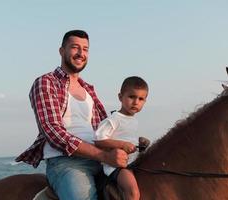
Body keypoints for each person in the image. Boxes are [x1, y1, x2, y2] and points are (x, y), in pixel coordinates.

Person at [15, 30, 129, 200]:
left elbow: (102, 130)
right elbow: (53, 131)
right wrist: (103, 155)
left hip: (101, 160)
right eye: (75, 47)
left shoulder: (89, 89)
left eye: (85, 49)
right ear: (62, 51)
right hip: (66, 162)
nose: (81, 53)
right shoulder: (46, 82)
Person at [94, 76, 149, 200]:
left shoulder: (133, 121)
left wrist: (140, 144)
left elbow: (129, 142)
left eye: (141, 99)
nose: (136, 102)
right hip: (116, 166)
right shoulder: (114, 119)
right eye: (131, 97)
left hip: (132, 162)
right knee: (133, 192)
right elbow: (99, 140)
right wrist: (122, 144)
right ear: (120, 97)